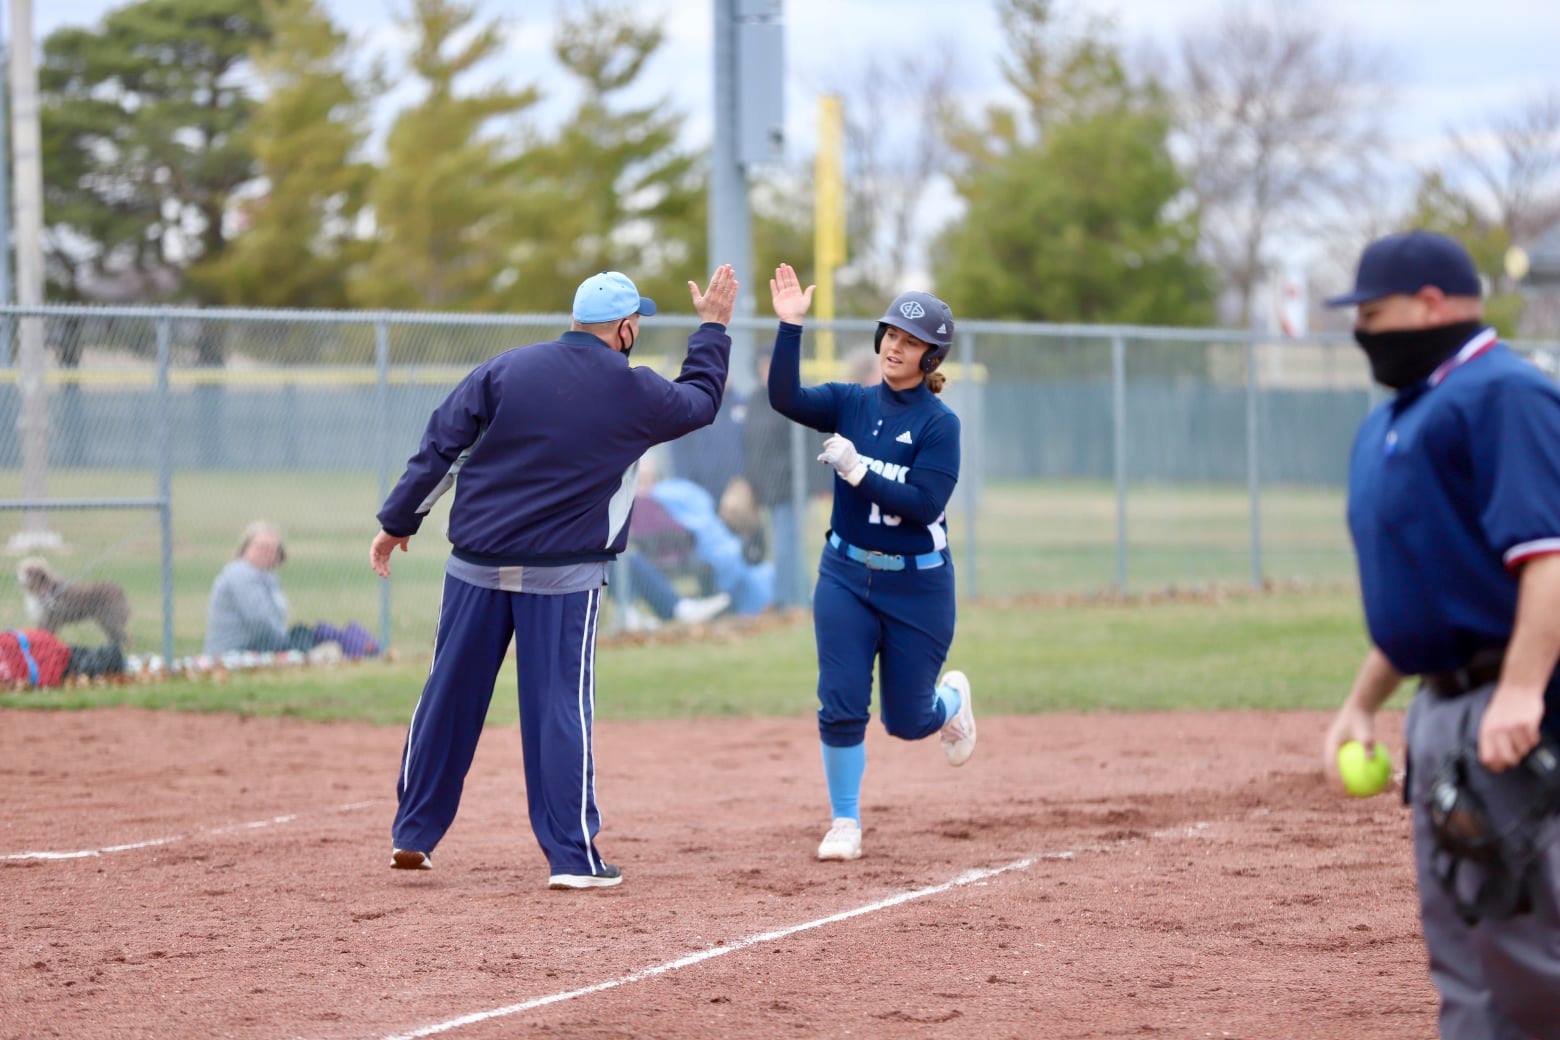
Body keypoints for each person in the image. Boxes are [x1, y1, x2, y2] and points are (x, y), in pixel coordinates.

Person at [370, 265, 737, 889]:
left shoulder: (506, 369)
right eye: (636, 322)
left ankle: (414, 833)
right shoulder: (635, 391)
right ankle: (571, 857)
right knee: (558, 709)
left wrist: (399, 519)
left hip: (475, 568)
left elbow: (442, 446)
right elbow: (701, 402)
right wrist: (713, 328)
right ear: (624, 328)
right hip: (561, 579)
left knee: (449, 695)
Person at [1319, 231, 1560, 1038]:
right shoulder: (1400, 420)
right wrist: (1361, 704)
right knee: (1465, 952)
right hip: (1444, 713)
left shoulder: (1504, 394)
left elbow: (1549, 559)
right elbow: (1430, 590)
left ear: (1431, 304)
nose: (1363, 332)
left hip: (1513, 711)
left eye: (1374, 313)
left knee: (1531, 951)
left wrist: (1522, 689)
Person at [765, 262, 976, 862]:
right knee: (840, 700)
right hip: (845, 577)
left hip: (917, 588)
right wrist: (789, 328)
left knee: (909, 722)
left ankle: (952, 705)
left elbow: (924, 503)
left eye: (911, 342)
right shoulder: (851, 403)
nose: (895, 347)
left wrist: (858, 470)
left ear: (931, 359)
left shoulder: (941, 425)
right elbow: (786, 397)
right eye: (891, 334)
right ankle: (845, 820)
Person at [203, 522, 291, 656]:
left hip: (261, 648)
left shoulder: (268, 576)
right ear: (246, 548)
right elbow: (259, 621)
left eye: (273, 549)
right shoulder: (241, 573)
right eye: (262, 547)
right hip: (232, 652)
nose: (268, 553)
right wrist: (286, 643)